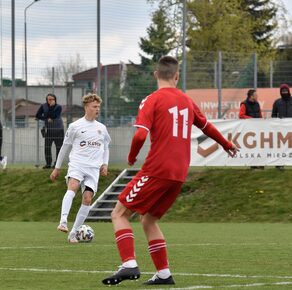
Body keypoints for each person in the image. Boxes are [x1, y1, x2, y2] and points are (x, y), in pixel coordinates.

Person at [102, 56, 238, 286]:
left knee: (119, 213)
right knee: (149, 220)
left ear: (156, 75)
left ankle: (128, 264)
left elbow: (140, 134)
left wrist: (133, 155)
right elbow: (207, 127)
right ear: (177, 76)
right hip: (178, 173)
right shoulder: (187, 101)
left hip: (157, 169)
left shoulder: (151, 100)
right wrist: (226, 144)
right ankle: (164, 273)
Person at [50, 93, 111, 243]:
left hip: (93, 169)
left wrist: (105, 163)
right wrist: (57, 168)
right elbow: (64, 147)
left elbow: (106, 147)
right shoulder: (75, 126)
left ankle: (74, 233)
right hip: (77, 164)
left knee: (87, 198)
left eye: (98, 107)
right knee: (73, 186)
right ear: (86, 107)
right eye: (94, 106)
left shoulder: (102, 128)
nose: (97, 109)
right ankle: (63, 221)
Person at [36, 93, 64, 169]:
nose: (50, 101)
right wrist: (46, 118)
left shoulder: (59, 107)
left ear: (55, 100)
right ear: (46, 100)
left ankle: (56, 164)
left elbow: (54, 115)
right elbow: (38, 115)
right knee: (47, 147)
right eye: (49, 99)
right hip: (49, 130)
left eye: (52, 99)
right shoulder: (43, 106)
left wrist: (51, 108)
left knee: (59, 148)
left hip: (59, 130)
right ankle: (48, 164)